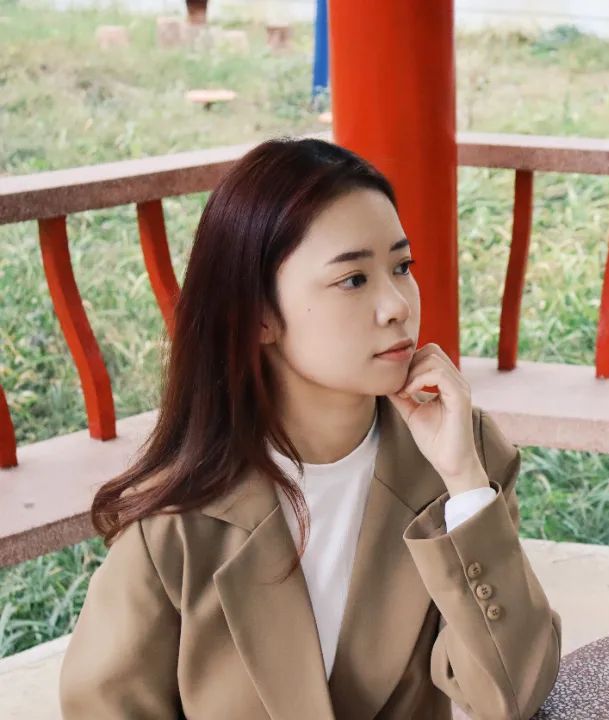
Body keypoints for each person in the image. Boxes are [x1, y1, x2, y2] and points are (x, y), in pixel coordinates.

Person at [58, 137, 562, 719]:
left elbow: (514, 695)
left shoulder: (459, 456)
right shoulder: (176, 526)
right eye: (354, 279)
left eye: (402, 267)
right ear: (259, 315)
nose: (397, 305)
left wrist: (465, 483)